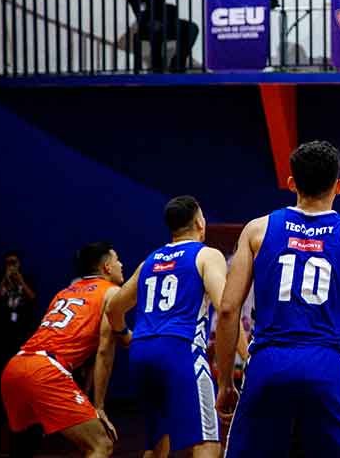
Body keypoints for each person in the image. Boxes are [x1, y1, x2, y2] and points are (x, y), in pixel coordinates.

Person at [215, 141, 340, 456]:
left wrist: (225, 381)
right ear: (339, 186)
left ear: (292, 183)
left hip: (267, 363)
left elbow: (227, 310)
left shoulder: (257, 230)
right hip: (327, 364)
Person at [106, 195, 248, 458]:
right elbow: (226, 309)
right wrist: (248, 356)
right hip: (180, 349)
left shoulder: (150, 260)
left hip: (141, 352)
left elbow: (114, 308)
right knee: (208, 442)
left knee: (157, 443)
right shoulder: (207, 255)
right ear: (199, 223)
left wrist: (124, 334)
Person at [1, 242, 125, 458]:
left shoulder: (64, 293)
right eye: (117, 260)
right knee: (101, 445)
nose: (121, 265)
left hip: (16, 366)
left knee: (25, 445)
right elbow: (104, 352)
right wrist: (100, 406)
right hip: (45, 371)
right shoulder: (112, 292)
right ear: (106, 267)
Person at [106, 0, 199, 73]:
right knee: (155, 27)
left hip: (166, 21)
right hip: (147, 24)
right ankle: (157, 68)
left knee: (192, 27)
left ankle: (177, 63)